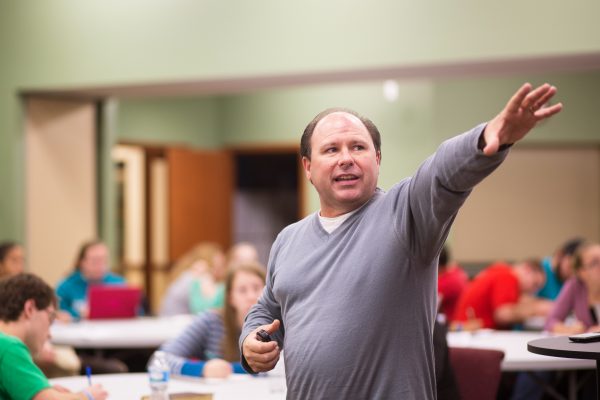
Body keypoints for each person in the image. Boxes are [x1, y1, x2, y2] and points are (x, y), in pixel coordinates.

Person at [240, 83, 562, 398]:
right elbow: (268, 310)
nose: (346, 158)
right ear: (308, 167)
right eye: (331, 149)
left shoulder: (405, 215)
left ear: (377, 159)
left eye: (358, 147)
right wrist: (250, 342)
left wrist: (487, 138)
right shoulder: (288, 240)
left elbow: (440, 173)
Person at [0, 273, 108, 400]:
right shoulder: (9, 348)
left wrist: (42, 389)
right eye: (50, 318)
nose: (50, 334)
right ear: (29, 309)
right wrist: (87, 396)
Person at [159, 261, 266, 378]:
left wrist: (230, 369)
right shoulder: (211, 321)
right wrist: (203, 369)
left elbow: (279, 369)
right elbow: (161, 359)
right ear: (230, 298)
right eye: (242, 290)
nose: (251, 296)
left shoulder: (275, 324)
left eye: (256, 288)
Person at [452, 259, 550, 330]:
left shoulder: (502, 271)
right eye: (535, 284)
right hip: (471, 333)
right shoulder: (508, 277)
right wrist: (536, 308)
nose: (534, 291)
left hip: (467, 332)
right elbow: (503, 315)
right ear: (527, 270)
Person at [56, 240, 126, 320]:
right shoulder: (66, 286)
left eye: (104, 260)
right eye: (95, 260)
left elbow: (135, 311)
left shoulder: (118, 283)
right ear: (82, 262)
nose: (100, 265)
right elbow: (59, 312)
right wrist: (78, 315)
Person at [545, 242, 600, 334]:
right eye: (595, 262)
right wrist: (567, 329)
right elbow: (551, 321)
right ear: (581, 271)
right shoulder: (575, 286)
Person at [160, 242, 228, 316]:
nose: (224, 270)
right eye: (220, 265)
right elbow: (205, 309)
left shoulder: (186, 275)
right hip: (174, 321)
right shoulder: (196, 277)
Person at [437, 245, 468, 320]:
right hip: (464, 321)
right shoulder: (458, 272)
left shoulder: (443, 283)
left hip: (454, 325)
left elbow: (431, 309)